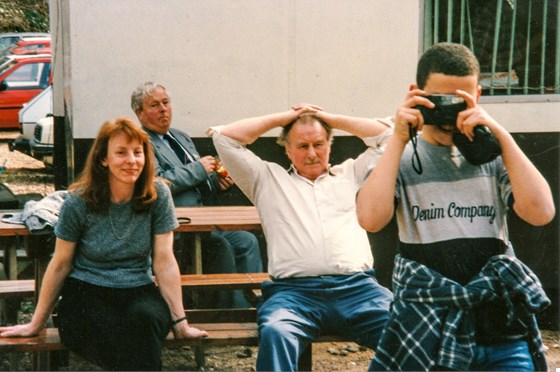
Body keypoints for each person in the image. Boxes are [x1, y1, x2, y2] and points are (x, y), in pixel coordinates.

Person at [356, 42, 555, 371]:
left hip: (500, 330)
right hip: (430, 328)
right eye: (440, 99)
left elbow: (541, 213)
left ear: (477, 95)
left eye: (461, 99)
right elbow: (371, 220)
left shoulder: (492, 155)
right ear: (415, 94)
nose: (449, 111)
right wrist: (398, 141)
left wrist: (499, 133)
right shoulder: (396, 158)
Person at [0, 117, 208, 370]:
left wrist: (181, 323)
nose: (131, 161)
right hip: (86, 292)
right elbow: (60, 264)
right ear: (103, 159)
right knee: (118, 333)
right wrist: (36, 323)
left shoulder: (158, 195)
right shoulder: (78, 201)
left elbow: (164, 262)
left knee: (146, 320)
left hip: (138, 288)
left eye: (137, 153)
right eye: (121, 153)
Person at [208, 105, 394, 371]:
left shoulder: (352, 173)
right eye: (302, 146)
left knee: (405, 328)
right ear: (287, 149)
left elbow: (389, 136)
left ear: (330, 145)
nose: (311, 153)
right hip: (294, 295)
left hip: (358, 291)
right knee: (276, 331)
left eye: (319, 144)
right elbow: (224, 138)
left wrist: (331, 118)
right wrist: (285, 118)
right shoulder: (266, 179)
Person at [131, 82, 263, 308]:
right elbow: (156, 183)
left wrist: (216, 182)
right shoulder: (141, 142)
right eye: (155, 105)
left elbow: (198, 178)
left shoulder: (180, 137)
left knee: (247, 241)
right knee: (221, 246)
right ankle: (232, 312)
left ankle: (259, 303)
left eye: (166, 103)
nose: (163, 109)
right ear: (139, 113)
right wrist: (199, 169)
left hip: (206, 221)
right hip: (176, 227)